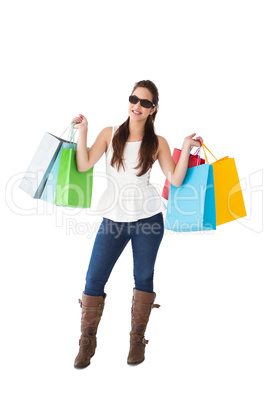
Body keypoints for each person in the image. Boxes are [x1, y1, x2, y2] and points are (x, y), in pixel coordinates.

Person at [71, 80, 203, 369]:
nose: (137, 106)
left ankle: (136, 341)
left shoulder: (157, 142)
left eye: (145, 102)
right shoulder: (111, 134)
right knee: (94, 279)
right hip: (114, 219)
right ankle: (86, 342)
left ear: (153, 109)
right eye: (134, 99)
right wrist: (83, 132)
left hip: (148, 219)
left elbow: (176, 179)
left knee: (143, 279)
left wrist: (184, 146)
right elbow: (83, 165)